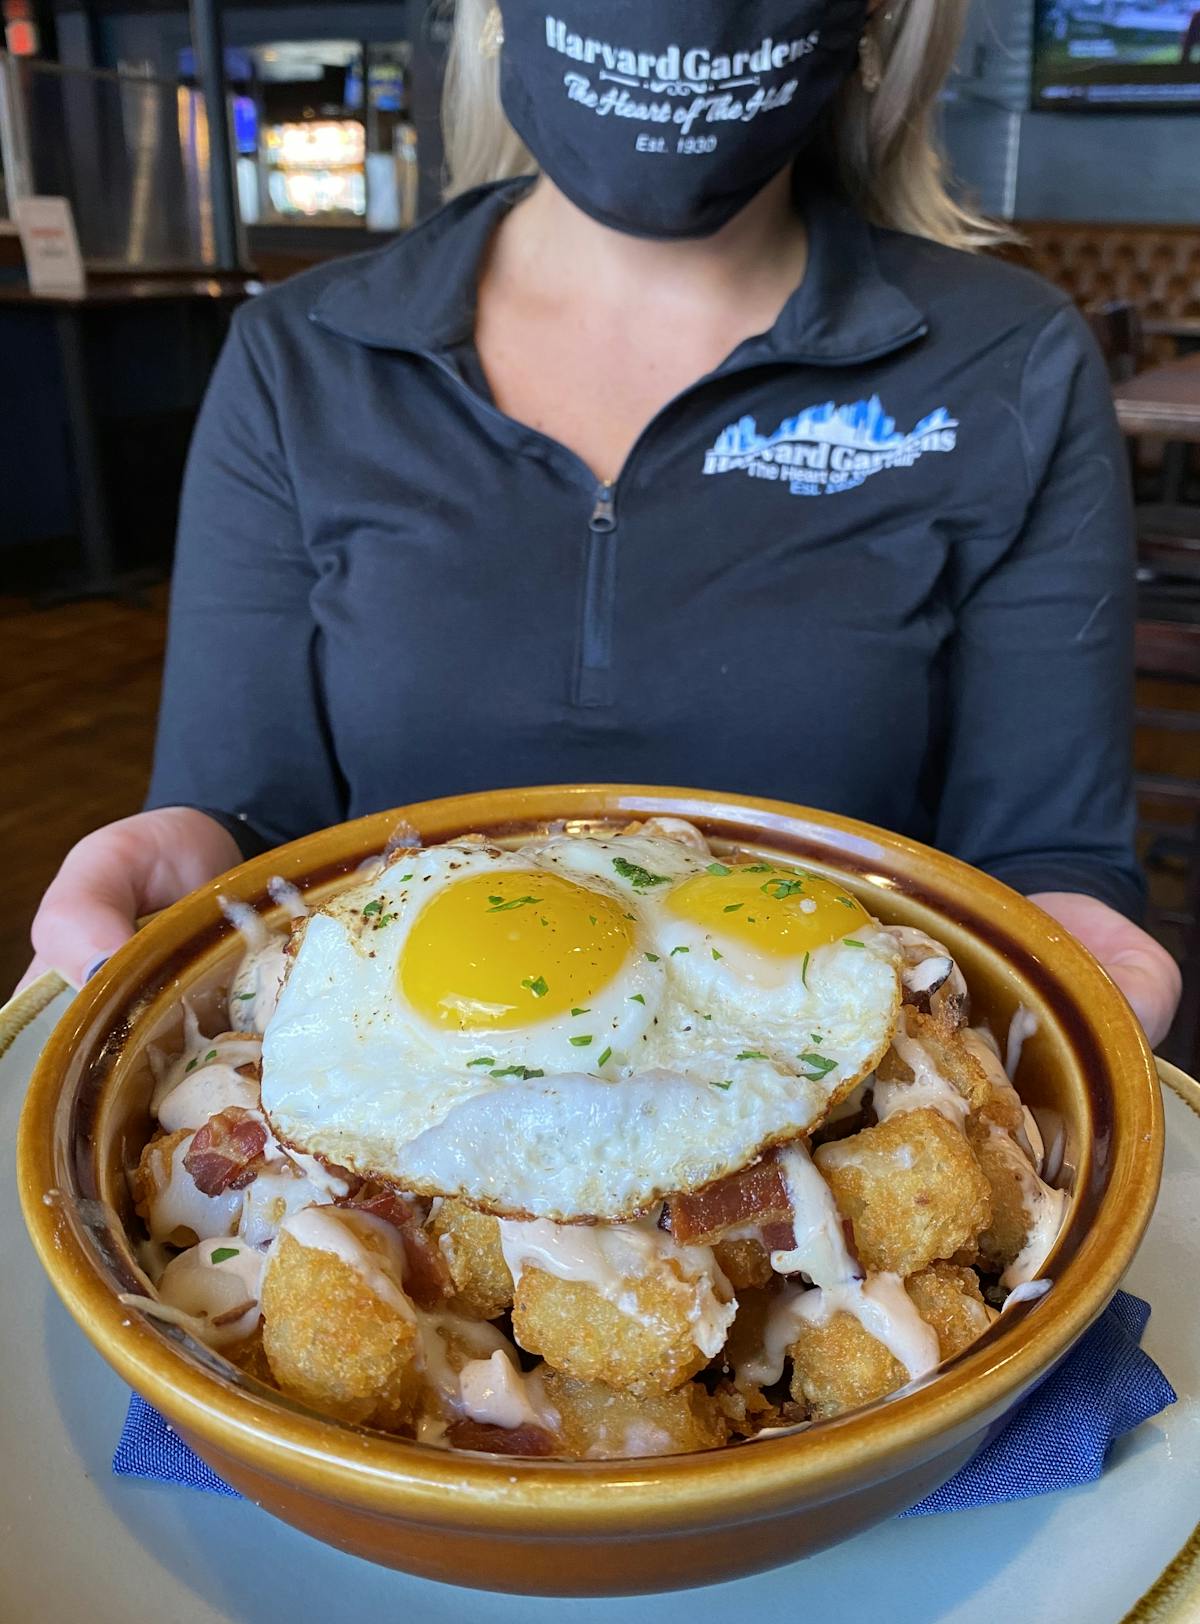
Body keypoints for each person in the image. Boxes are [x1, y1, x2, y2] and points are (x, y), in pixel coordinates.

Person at [22, 0, 1180, 1044]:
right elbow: (251, 828)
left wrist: (1076, 952)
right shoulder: (301, 355)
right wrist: (185, 854)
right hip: (388, 1057)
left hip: (847, 1076)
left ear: (878, 16)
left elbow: (1044, 853)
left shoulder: (1009, 359)